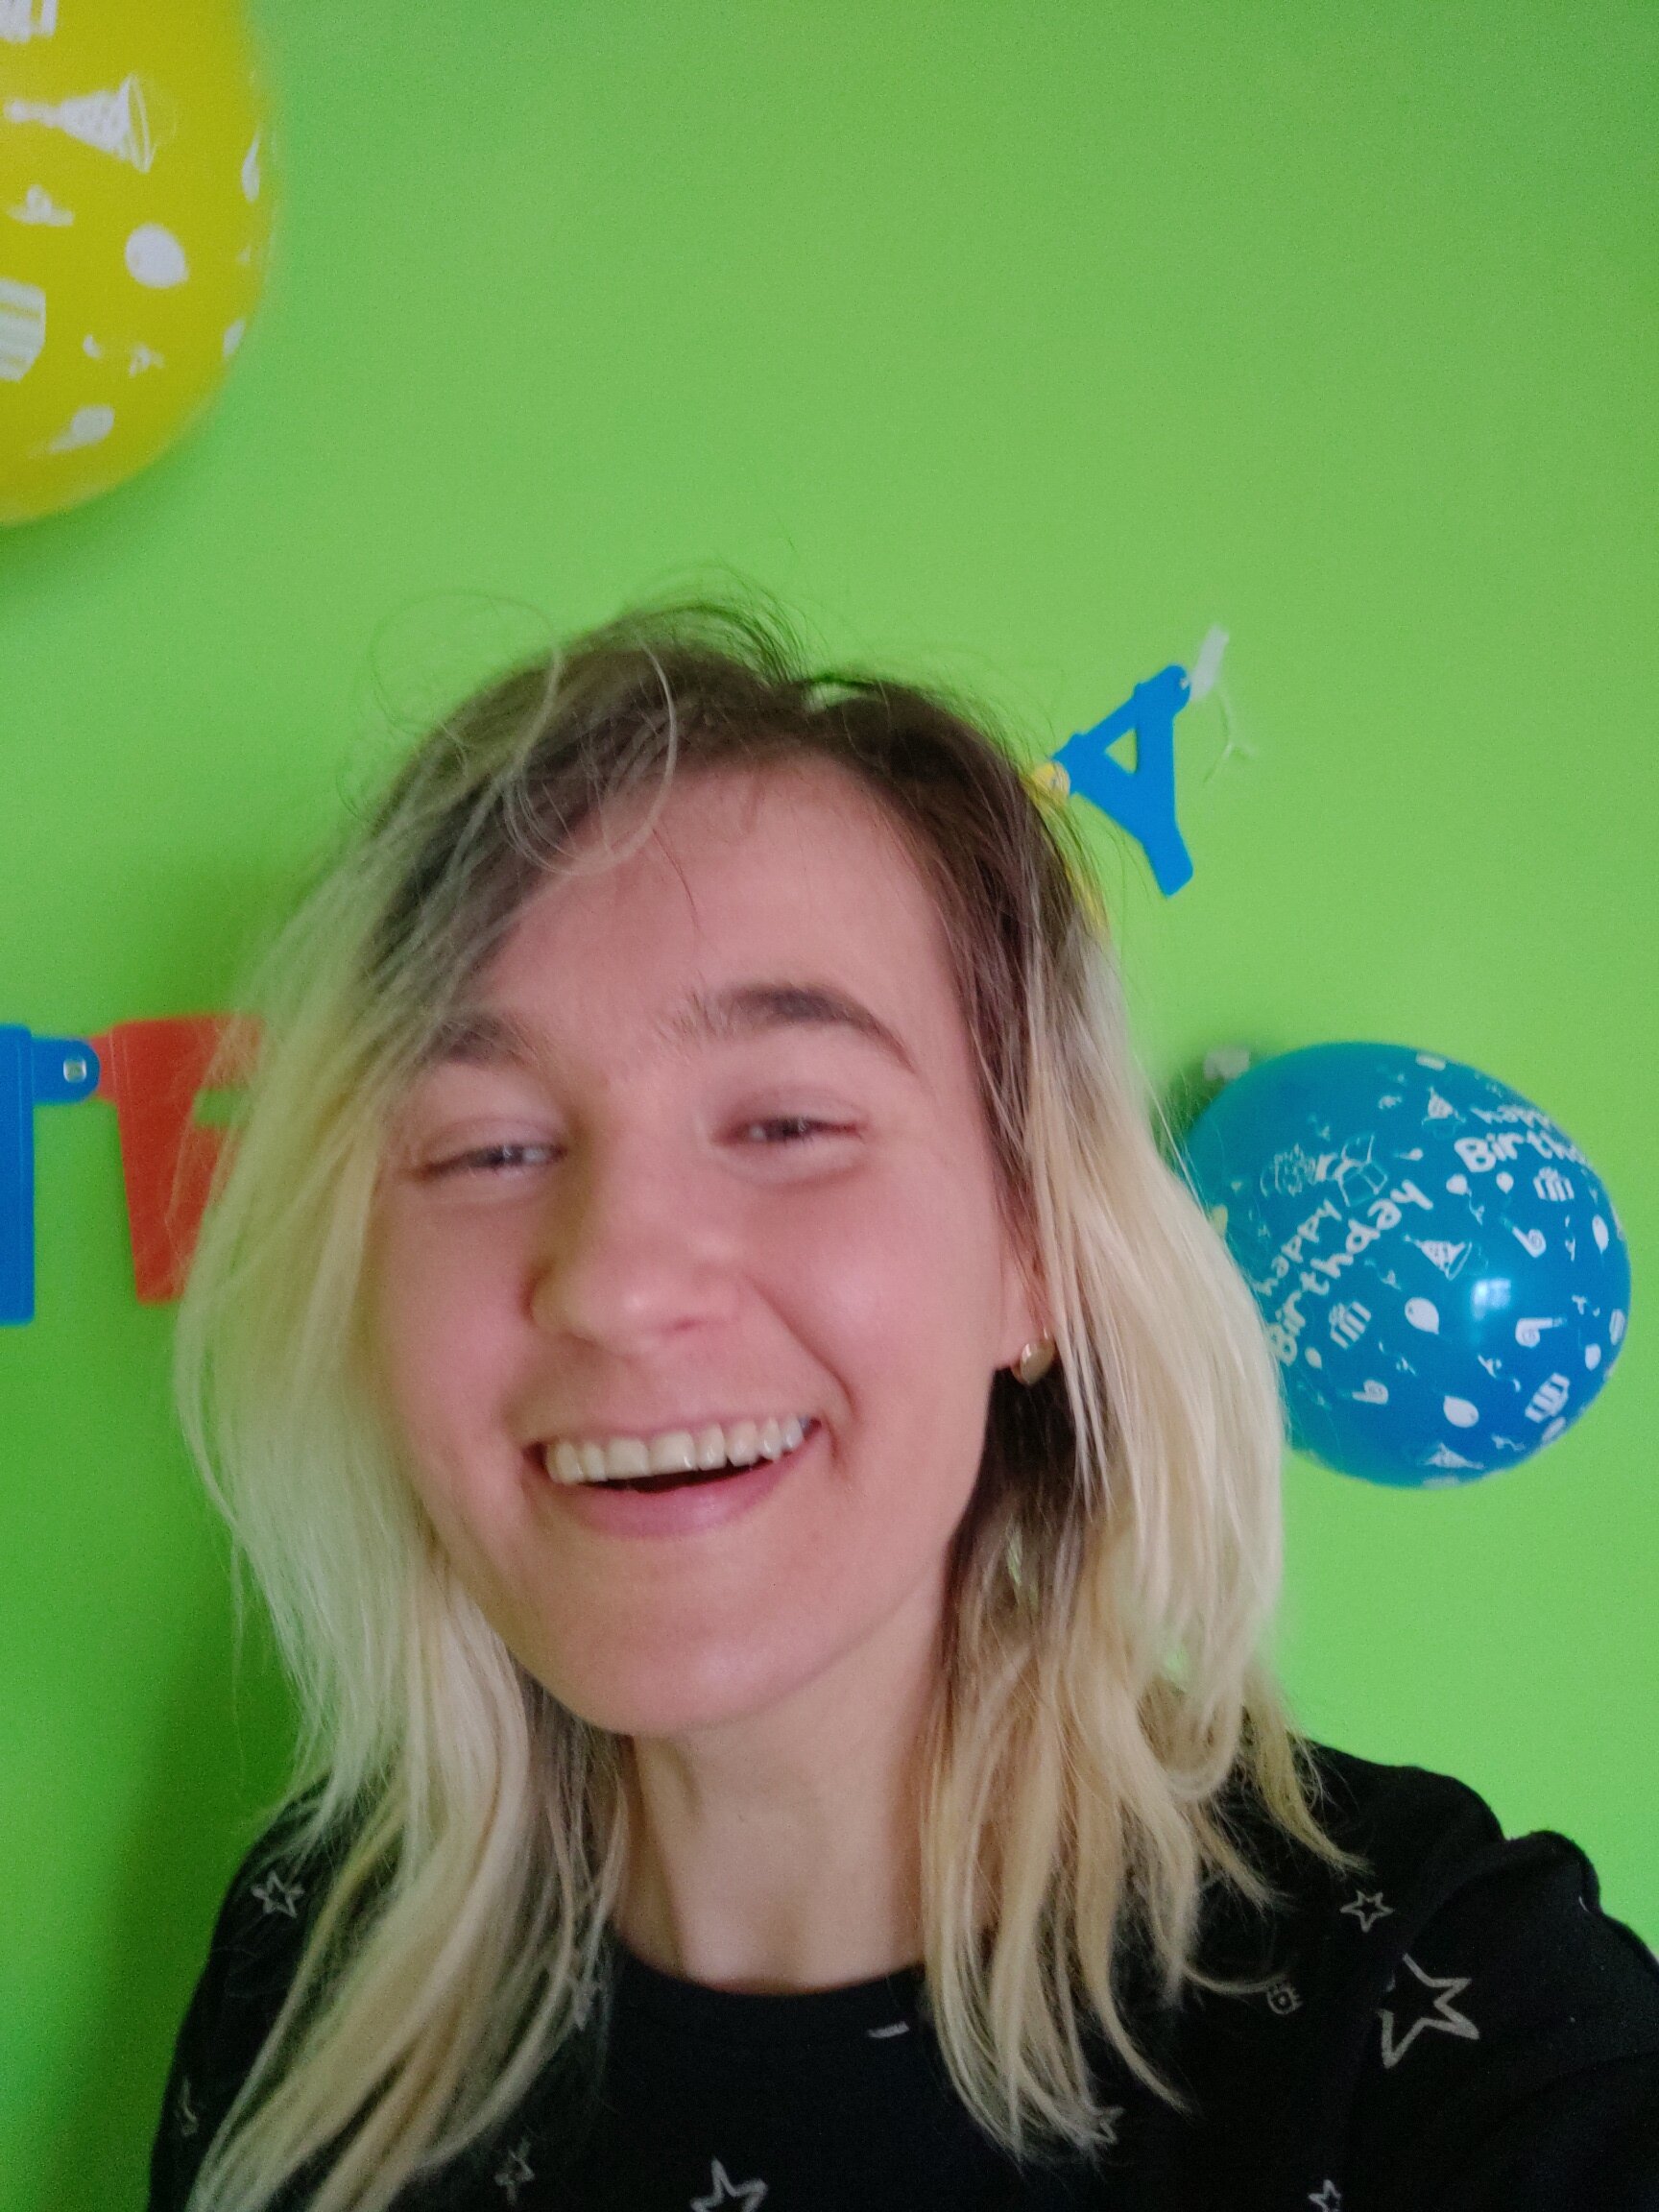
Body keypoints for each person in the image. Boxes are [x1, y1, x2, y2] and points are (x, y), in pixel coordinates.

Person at [151, 607, 1659, 2212]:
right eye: (486, 1147)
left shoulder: (1447, 2005)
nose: (613, 1284)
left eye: (788, 1124)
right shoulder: (307, 1968)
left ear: (1033, 1254)